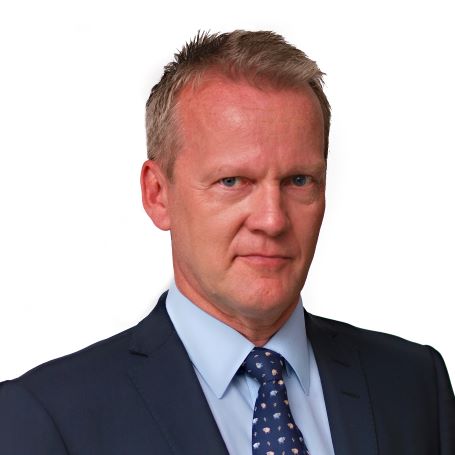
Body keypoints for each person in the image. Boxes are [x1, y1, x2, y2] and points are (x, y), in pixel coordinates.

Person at [0, 30, 453, 455]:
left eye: (299, 180)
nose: (272, 220)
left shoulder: (415, 384)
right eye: (233, 181)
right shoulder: (46, 416)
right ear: (158, 195)